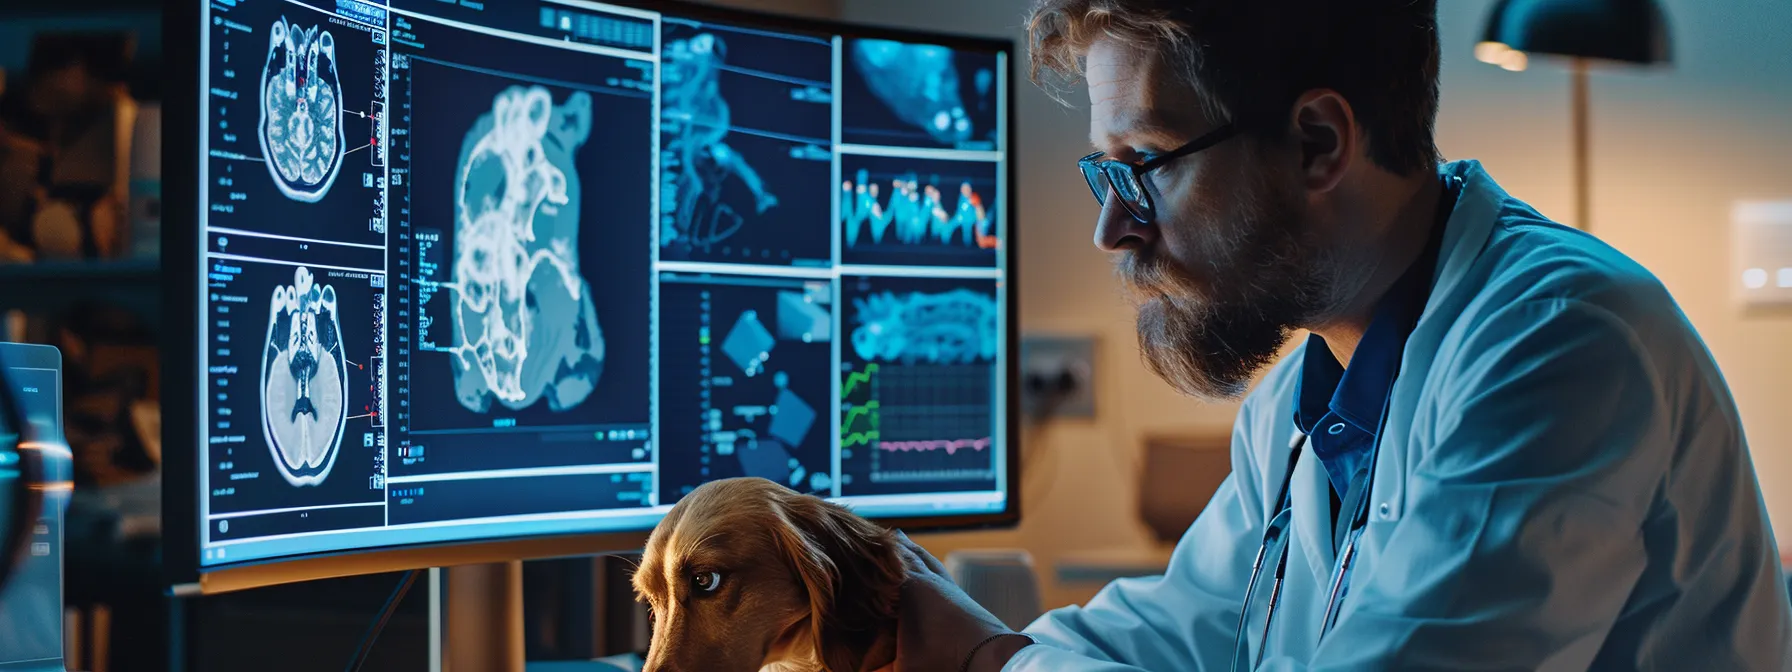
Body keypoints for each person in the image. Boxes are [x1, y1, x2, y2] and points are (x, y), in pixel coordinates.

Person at [888, 1, 1792, 670]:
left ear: (1319, 142)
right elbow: (1184, 630)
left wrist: (988, 663)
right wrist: (941, 625)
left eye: (1144, 167)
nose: (1113, 230)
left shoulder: (1559, 346)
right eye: (1104, 174)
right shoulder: (1303, 398)